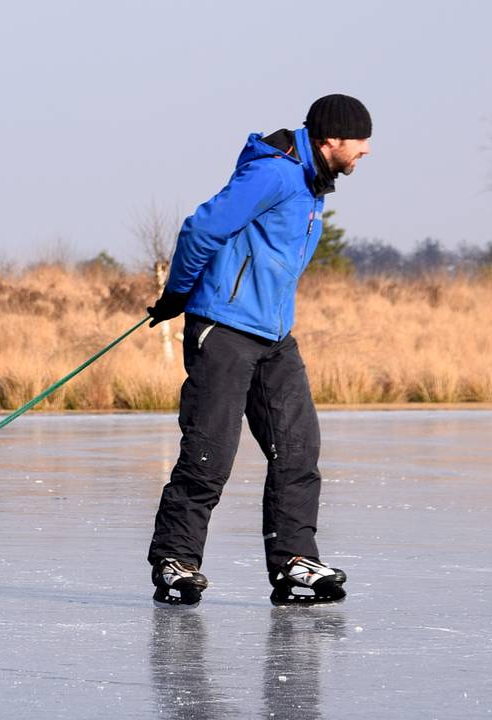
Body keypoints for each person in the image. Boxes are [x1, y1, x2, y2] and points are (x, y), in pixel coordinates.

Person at [146, 94, 372, 606]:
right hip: (223, 329)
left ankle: (295, 563)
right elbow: (202, 227)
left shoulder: (311, 183)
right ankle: (175, 563)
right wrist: (179, 294)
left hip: (273, 336)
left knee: (298, 448)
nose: (366, 152)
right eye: (360, 142)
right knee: (210, 451)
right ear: (331, 139)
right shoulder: (274, 175)